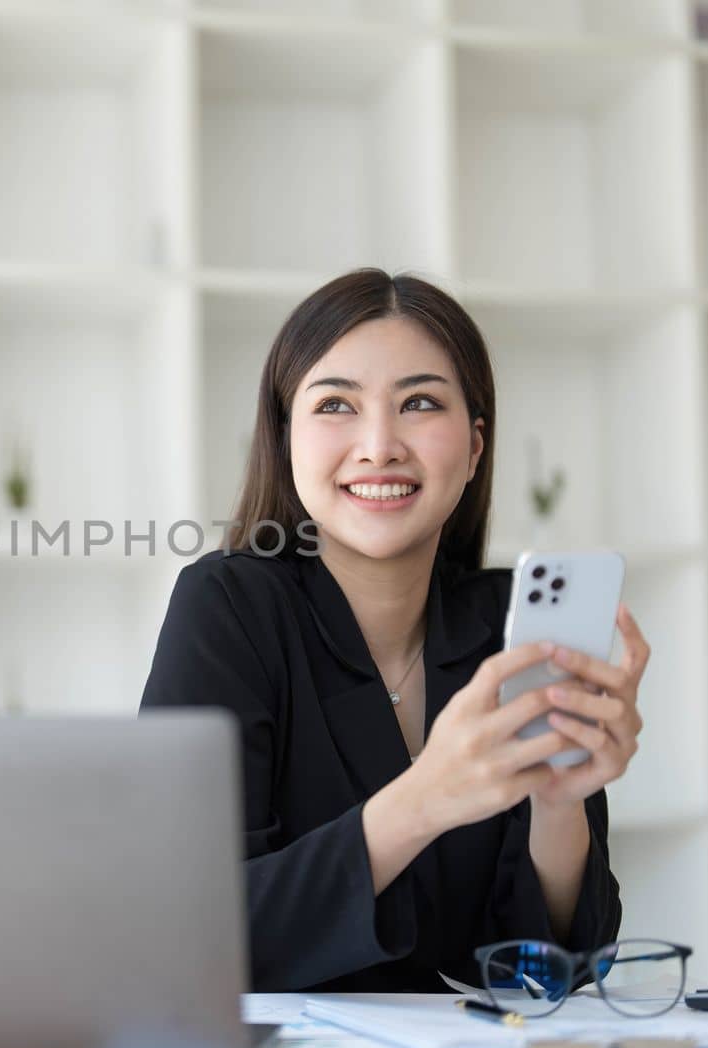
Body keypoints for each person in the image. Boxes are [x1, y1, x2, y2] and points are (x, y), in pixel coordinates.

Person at [139, 269, 646, 994]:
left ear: (474, 448)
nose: (379, 445)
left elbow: (552, 968)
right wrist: (424, 799)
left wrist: (558, 802)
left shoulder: (513, 628)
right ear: (286, 441)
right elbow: (183, 935)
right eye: (336, 404)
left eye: (419, 403)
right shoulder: (226, 609)